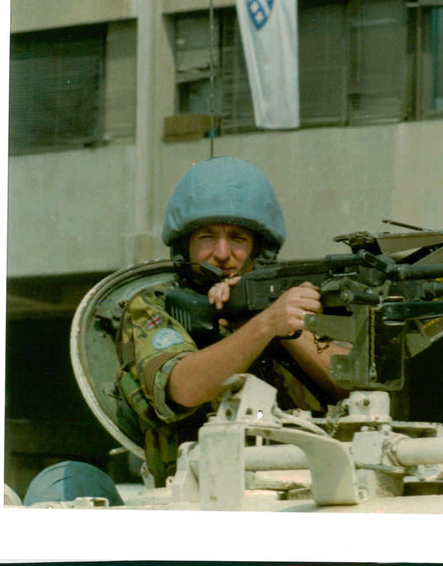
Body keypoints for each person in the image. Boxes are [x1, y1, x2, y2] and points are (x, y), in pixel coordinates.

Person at [115, 156, 349, 486]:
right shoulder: (153, 305)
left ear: (258, 248)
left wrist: (279, 319)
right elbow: (183, 387)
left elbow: (350, 385)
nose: (223, 253)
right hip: (200, 492)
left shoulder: (284, 303)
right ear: (186, 245)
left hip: (305, 487)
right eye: (207, 237)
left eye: (238, 238)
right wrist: (265, 325)